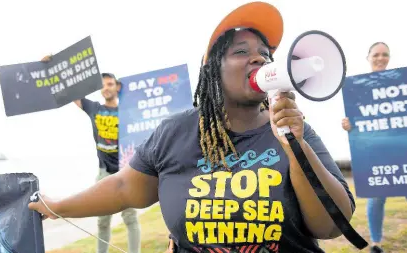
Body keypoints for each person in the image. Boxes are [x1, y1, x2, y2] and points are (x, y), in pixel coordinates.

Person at [31, 2, 355, 252]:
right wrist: (57, 206)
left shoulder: (298, 133)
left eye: (265, 54)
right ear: (211, 69)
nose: (258, 59)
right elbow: (121, 189)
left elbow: (329, 226)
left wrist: (293, 144)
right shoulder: (175, 133)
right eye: (241, 51)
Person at [42, 56, 141, 253]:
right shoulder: (95, 108)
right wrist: (52, 65)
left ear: (117, 87)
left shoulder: (128, 111)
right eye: (103, 85)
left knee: (130, 218)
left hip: (127, 172)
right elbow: (69, 93)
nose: (106, 88)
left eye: (110, 84)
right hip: (103, 173)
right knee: (102, 222)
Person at [341, 42, 407, 253]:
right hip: (375, 154)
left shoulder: (401, 85)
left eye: (385, 54)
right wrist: (349, 125)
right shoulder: (358, 88)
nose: (381, 58)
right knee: (376, 197)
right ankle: (376, 244)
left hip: (400, 150)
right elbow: (357, 120)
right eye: (376, 54)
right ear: (368, 57)